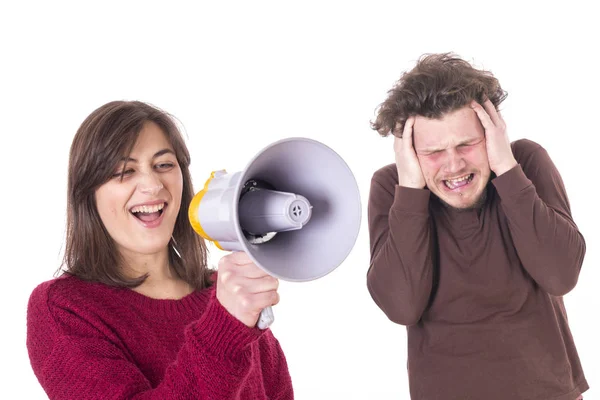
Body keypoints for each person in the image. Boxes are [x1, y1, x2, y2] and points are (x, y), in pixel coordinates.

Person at [26, 101, 293, 399]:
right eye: (124, 171)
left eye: (164, 165)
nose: (152, 185)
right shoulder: (65, 308)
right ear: (89, 193)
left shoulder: (227, 295)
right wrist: (224, 329)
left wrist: (231, 314)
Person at [367, 53, 587, 400]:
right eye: (433, 151)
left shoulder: (525, 163)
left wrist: (507, 169)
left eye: (467, 144)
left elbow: (561, 274)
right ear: (408, 151)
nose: (454, 165)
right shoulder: (393, 189)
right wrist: (410, 191)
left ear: (492, 132)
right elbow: (401, 306)